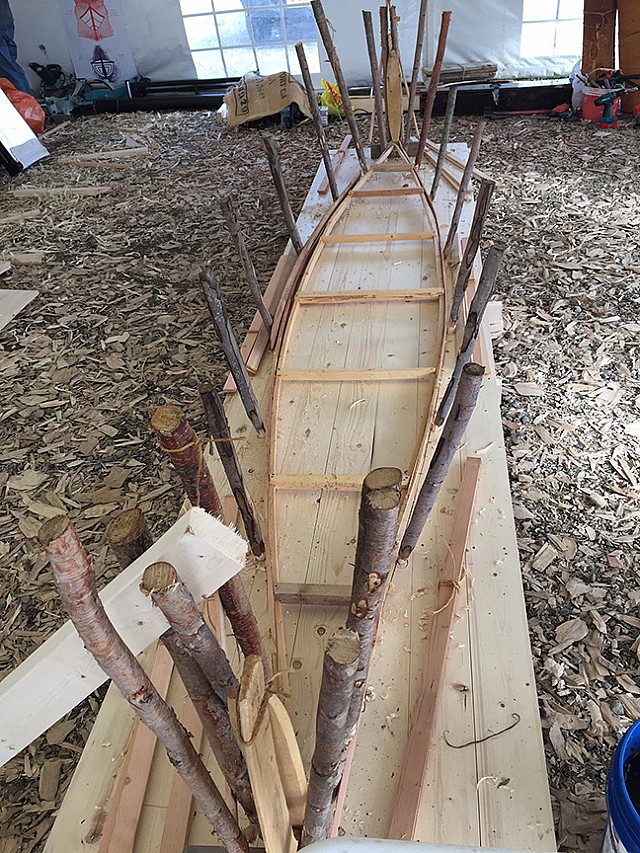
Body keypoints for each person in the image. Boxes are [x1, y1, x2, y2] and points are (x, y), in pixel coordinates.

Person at [0, 0, 31, 93]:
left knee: (8, 72)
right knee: (11, 67)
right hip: (5, 22)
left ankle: (23, 103)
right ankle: (27, 100)